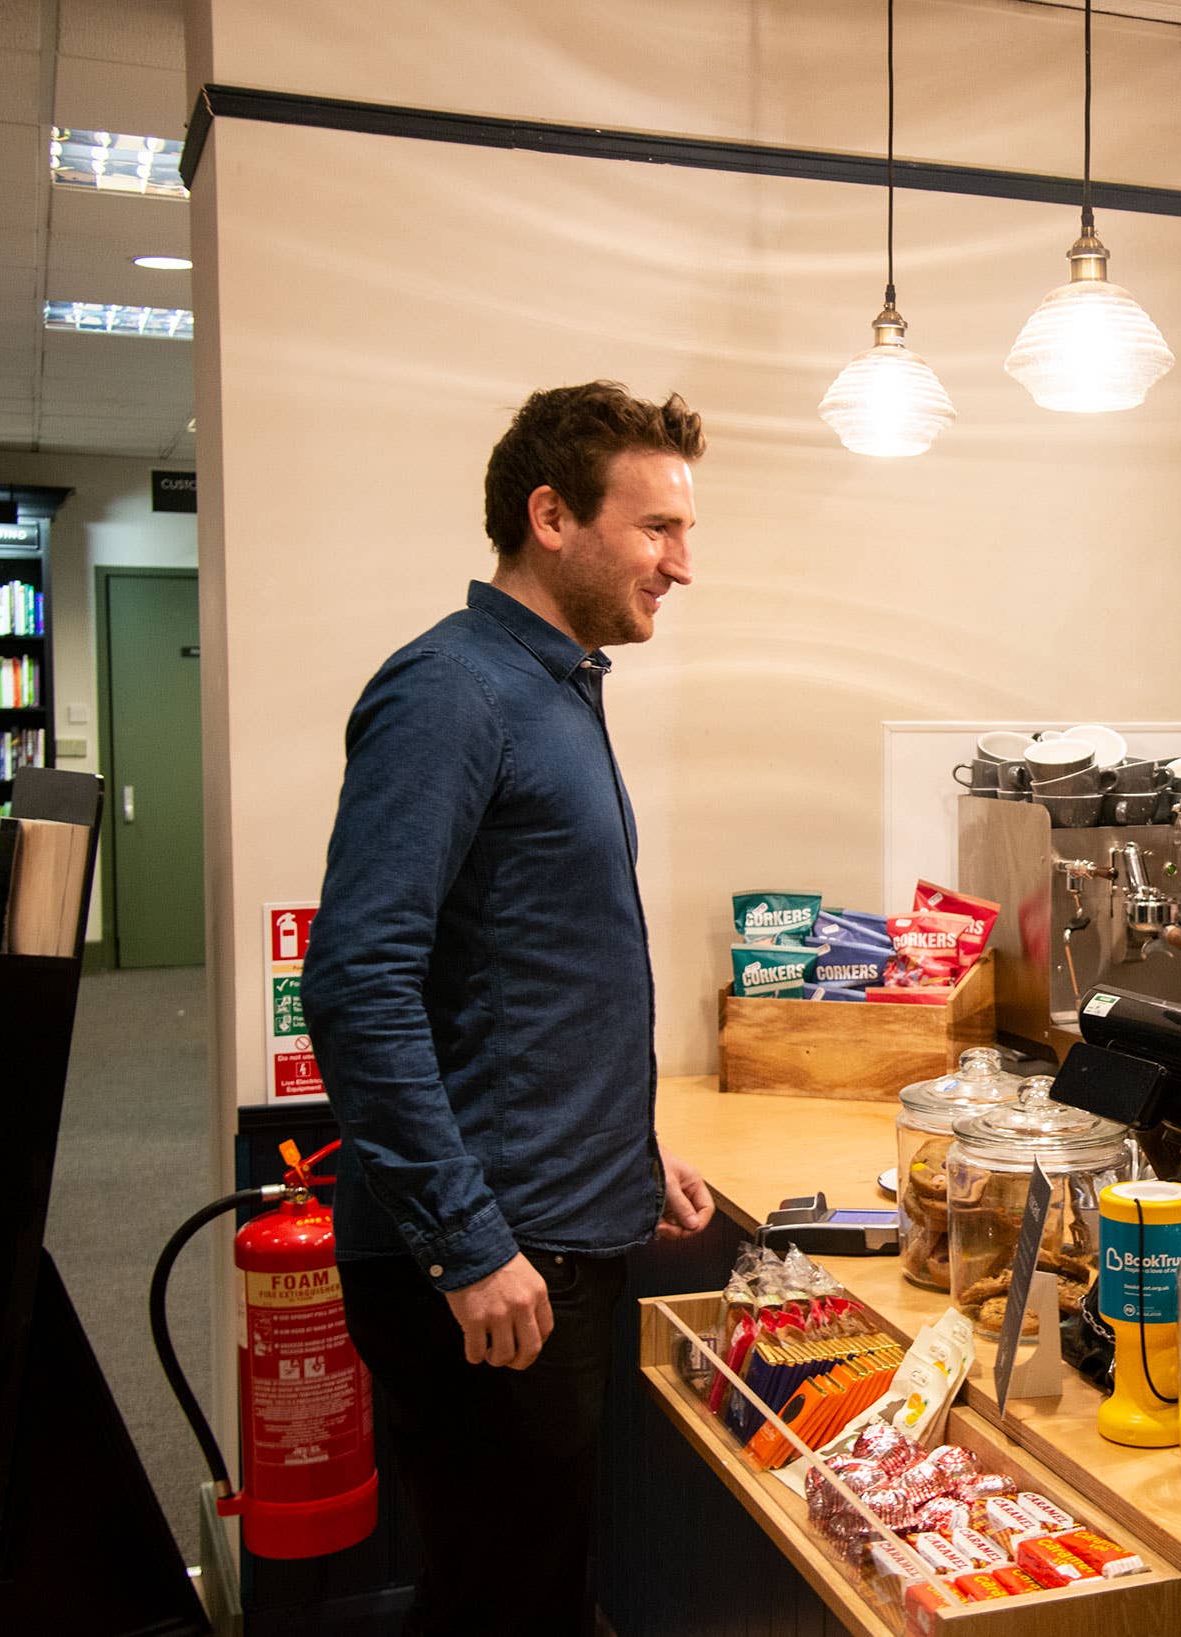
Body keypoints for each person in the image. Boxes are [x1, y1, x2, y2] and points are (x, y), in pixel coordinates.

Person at [304, 380, 718, 1636]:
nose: (682, 564)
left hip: (545, 1224)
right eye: (656, 528)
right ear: (550, 517)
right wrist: (467, 1242)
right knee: (503, 1606)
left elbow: (527, 976)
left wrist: (626, 1148)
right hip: (491, 1258)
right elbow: (357, 980)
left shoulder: (555, 684)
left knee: (524, 1587)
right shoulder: (452, 690)